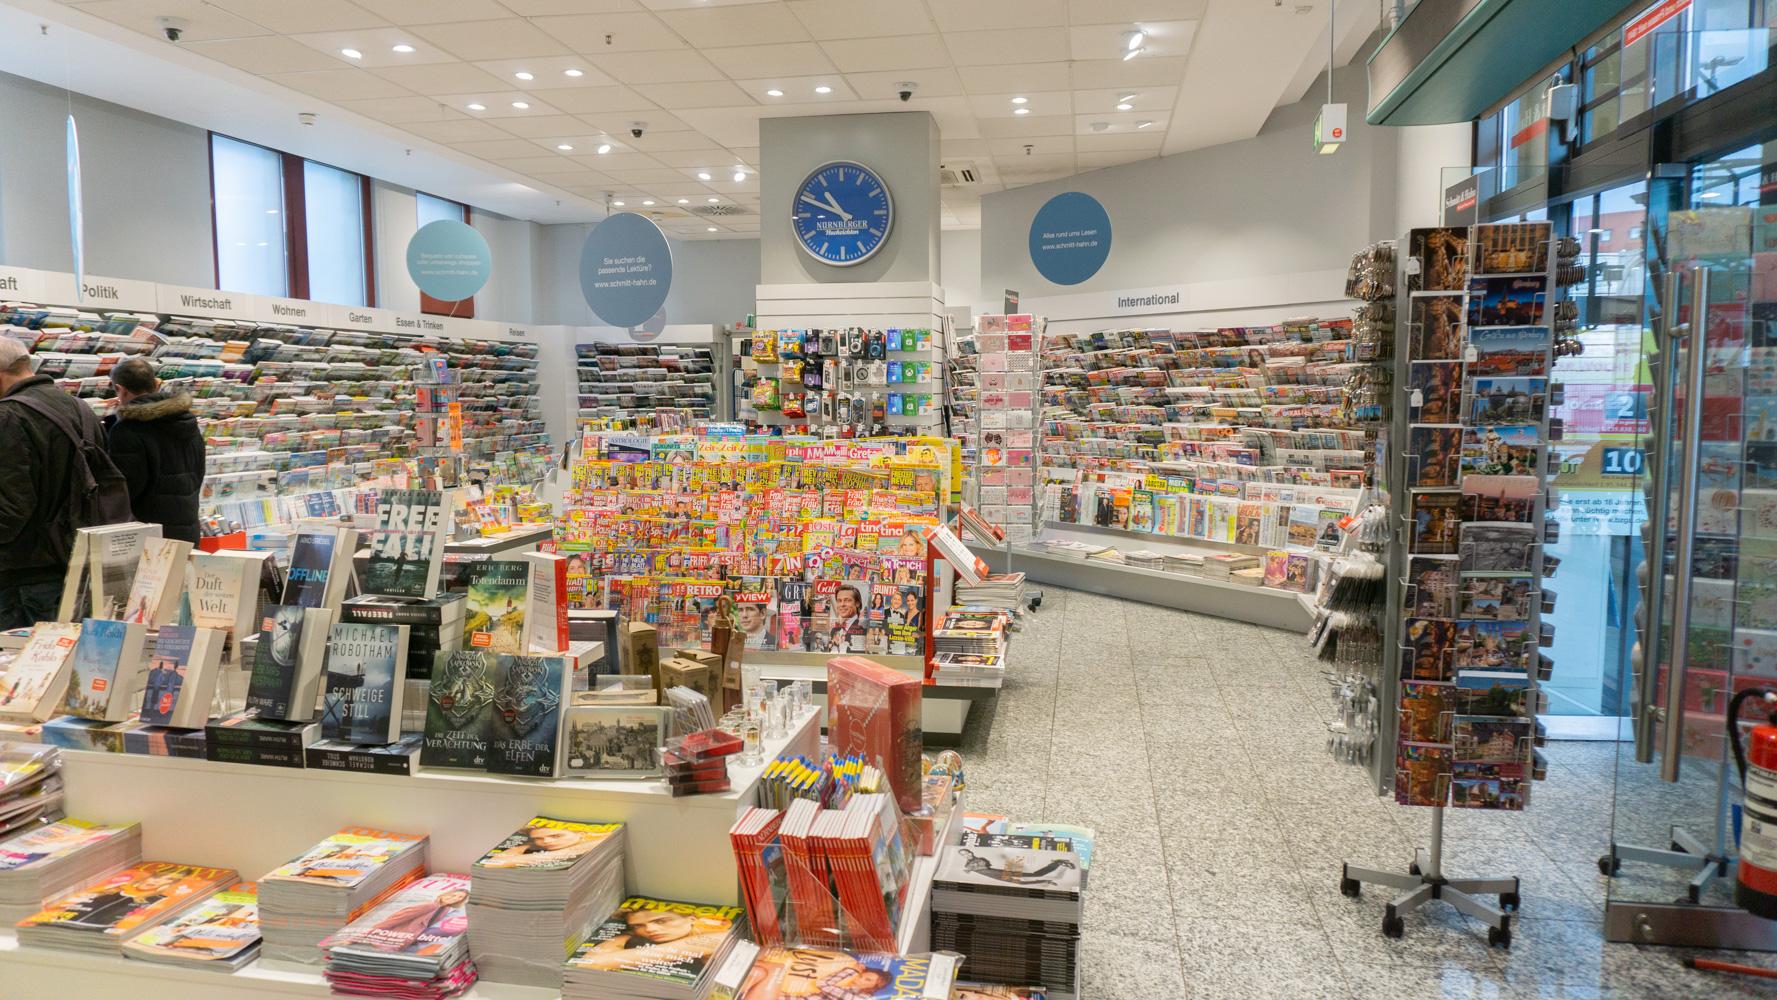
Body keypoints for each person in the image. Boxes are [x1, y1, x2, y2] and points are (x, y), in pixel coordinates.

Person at [0, 338, 107, 629]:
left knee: (22, 668)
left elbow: (11, 507)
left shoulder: (8, 416)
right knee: (71, 664)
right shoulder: (80, 408)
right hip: (81, 562)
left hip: (25, 575)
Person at [103, 357, 204, 544]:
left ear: (120, 389)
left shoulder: (128, 429)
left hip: (149, 537)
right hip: (188, 530)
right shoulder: (187, 421)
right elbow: (198, 474)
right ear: (156, 384)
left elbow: (126, 490)